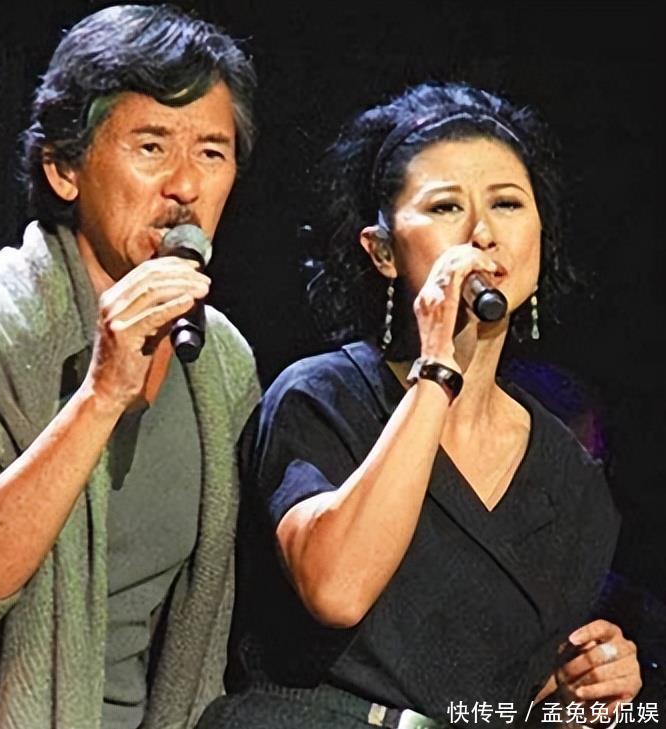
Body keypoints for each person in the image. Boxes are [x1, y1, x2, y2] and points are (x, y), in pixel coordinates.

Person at [0, 5, 259, 729]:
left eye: (211, 152)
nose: (185, 186)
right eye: (151, 146)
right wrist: (101, 394)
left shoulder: (221, 362)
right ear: (64, 168)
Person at [197, 83, 641, 728]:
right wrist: (437, 369)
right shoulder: (324, 396)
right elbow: (336, 589)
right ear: (381, 251)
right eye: (445, 207)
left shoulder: (569, 476)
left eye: (508, 204)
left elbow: (507, 708)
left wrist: (577, 700)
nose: (483, 233)